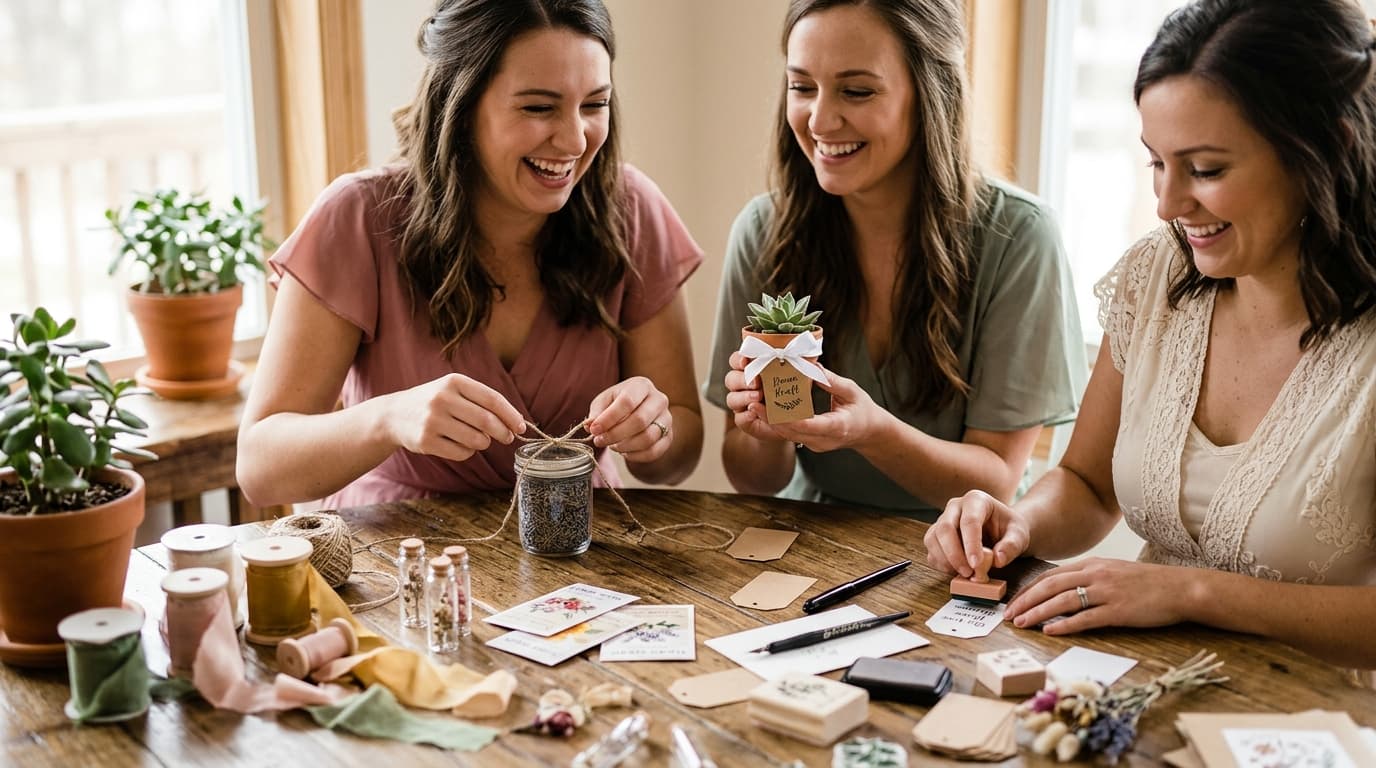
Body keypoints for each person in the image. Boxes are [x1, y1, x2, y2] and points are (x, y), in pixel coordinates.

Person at [926, 0, 1376, 670]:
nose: (1168, 205)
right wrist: (1020, 522)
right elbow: (1087, 484)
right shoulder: (1155, 275)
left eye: (1206, 169)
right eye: (1157, 164)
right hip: (1140, 685)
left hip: (1313, 715)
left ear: (1327, 149)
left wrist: (1191, 592)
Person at [237, 0, 703, 508]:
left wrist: (653, 429)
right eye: (538, 108)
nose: (574, 139)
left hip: (577, 540)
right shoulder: (357, 217)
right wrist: (389, 418)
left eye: (594, 104)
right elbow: (261, 470)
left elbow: (678, 460)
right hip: (395, 544)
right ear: (459, 106)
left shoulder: (631, 210)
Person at [703, 0, 1086, 520]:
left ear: (931, 93)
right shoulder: (762, 231)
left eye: (857, 91)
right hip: (805, 538)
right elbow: (753, 478)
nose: (819, 120)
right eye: (801, 86)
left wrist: (870, 431)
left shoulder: (1019, 238)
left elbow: (996, 480)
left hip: (957, 543)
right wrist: (766, 430)